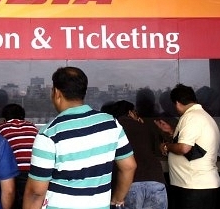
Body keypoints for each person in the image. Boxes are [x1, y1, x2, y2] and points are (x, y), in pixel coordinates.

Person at [23, 67, 136, 209]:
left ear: (57, 93)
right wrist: (116, 200)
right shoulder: (111, 124)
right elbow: (129, 167)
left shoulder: (49, 134)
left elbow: (36, 192)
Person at [154, 84, 220, 209]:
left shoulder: (191, 117)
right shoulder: (202, 116)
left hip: (193, 187)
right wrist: (171, 132)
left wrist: (167, 146)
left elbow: (185, 148)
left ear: (177, 103)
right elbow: (195, 144)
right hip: (199, 185)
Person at [104, 100, 167, 209]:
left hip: (129, 183)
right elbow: (158, 151)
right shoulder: (146, 127)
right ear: (130, 113)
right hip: (156, 180)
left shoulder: (112, 129)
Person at [0, 104, 38, 209]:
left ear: (4, 119)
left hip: (15, 174)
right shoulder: (32, 127)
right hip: (34, 174)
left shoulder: (0, 128)